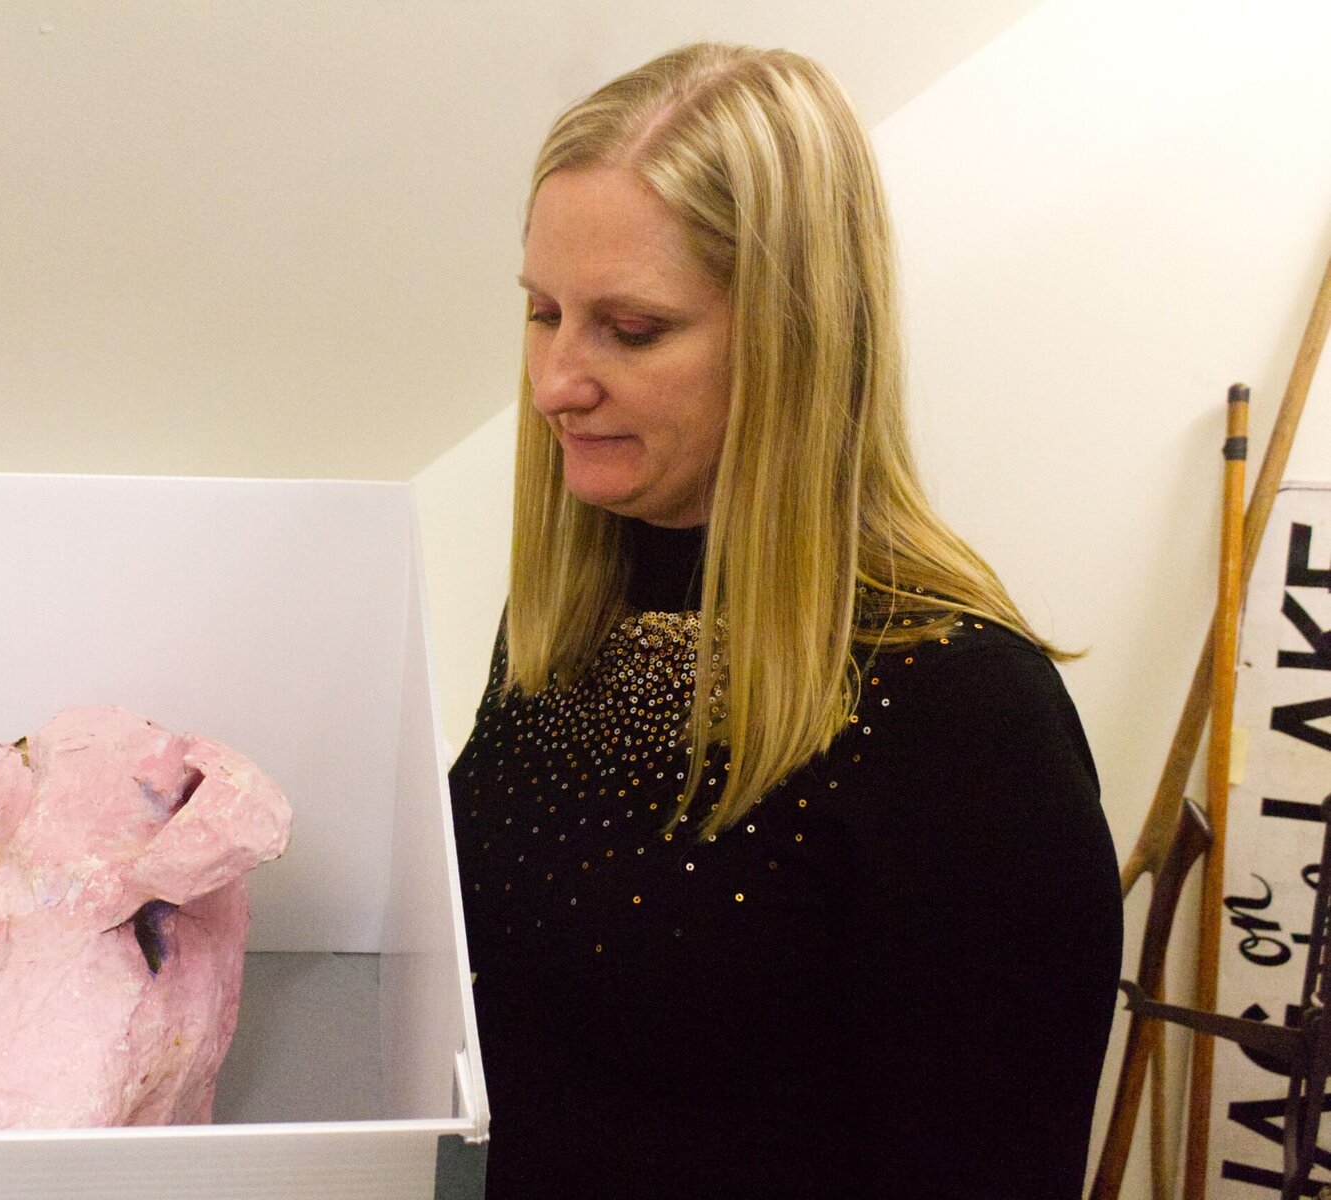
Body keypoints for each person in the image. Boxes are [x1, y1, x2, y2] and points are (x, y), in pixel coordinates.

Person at [448, 42, 1122, 1199]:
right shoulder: (562, 622)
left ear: (794, 336)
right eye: (542, 311)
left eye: (632, 327)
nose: (555, 380)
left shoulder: (961, 715)